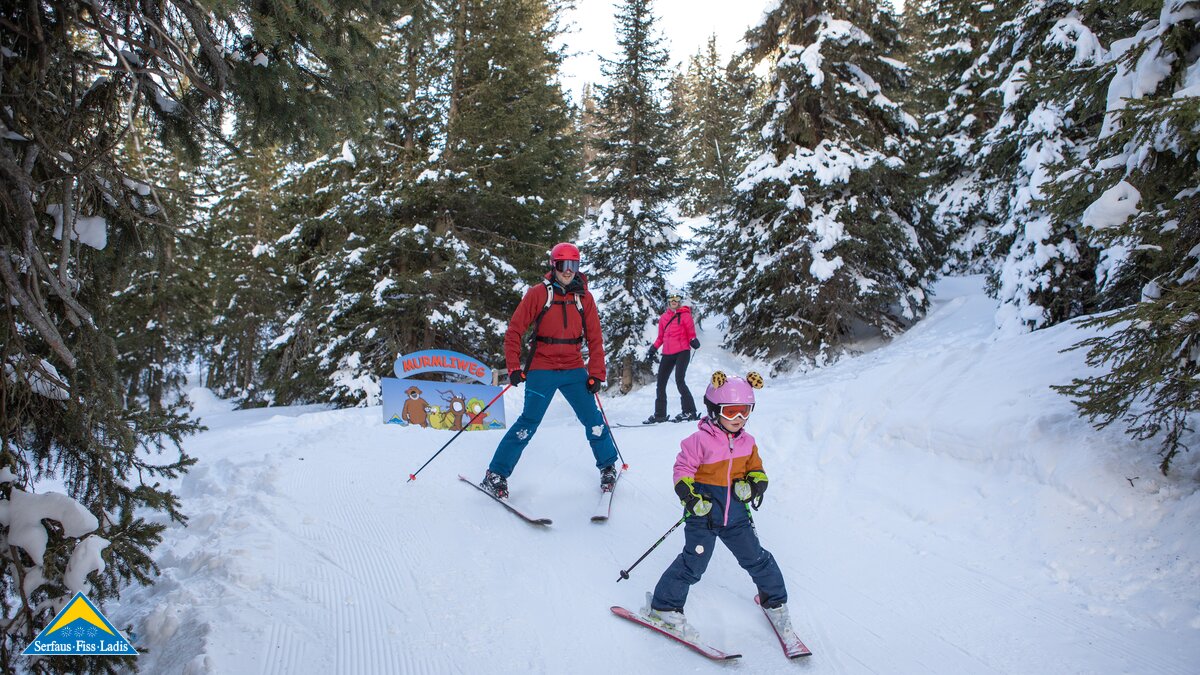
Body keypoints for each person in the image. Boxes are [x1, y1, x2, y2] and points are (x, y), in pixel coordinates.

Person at [642, 371, 792, 639]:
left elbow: (757, 470)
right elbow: (682, 469)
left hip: (737, 517)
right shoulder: (699, 441)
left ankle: (775, 602)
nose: (739, 419)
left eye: (745, 411)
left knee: (757, 558)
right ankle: (663, 607)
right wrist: (690, 496)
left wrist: (756, 485)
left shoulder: (748, 443)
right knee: (693, 563)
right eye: (731, 411)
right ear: (713, 410)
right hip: (703, 516)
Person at [480, 242, 619, 499]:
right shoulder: (538, 293)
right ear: (554, 265)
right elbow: (514, 331)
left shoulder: (584, 298)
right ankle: (495, 474)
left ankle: (608, 466)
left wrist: (597, 373)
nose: (569, 271)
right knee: (528, 423)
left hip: (573, 368)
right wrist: (513, 366)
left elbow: (595, 338)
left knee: (593, 419)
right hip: (542, 367)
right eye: (564, 265)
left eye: (574, 265)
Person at [644, 292, 701, 424]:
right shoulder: (664, 317)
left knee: (679, 380)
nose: (674, 301)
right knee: (661, 383)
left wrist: (693, 340)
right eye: (672, 300)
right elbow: (661, 337)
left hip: (683, 351)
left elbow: (691, 333)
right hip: (667, 353)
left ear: (679, 302)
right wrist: (653, 349)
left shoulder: (685, 315)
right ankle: (660, 415)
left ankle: (689, 411)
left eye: (677, 299)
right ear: (668, 302)